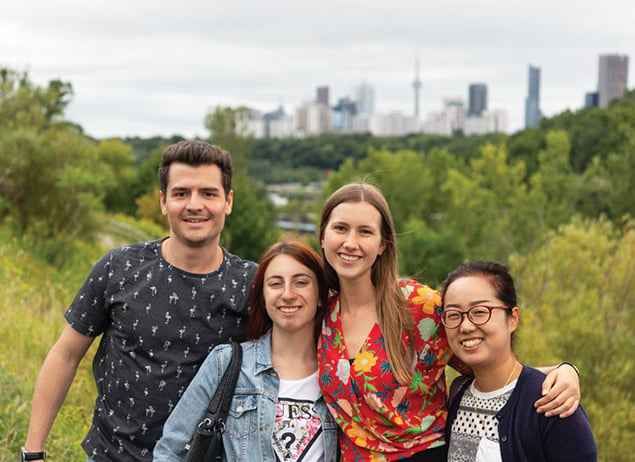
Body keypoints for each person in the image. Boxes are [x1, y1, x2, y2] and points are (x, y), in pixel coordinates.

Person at [22, 140, 258, 462]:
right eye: (180, 193)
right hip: (112, 456)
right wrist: (32, 452)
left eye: (208, 193)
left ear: (228, 201)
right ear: (163, 202)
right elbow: (65, 355)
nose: (194, 204)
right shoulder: (118, 267)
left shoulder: (253, 286)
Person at [316, 182, 581, 462]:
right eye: (341, 228)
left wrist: (565, 371)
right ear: (322, 236)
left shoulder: (419, 306)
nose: (350, 242)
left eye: (365, 232)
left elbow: (493, 369)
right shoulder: (321, 318)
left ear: (383, 244)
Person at [154, 240, 339, 461]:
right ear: (262, 298)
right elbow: (170, 451)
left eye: (300, 282)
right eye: (276, 284)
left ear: (320, 296)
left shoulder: (341, 373)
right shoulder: (226, 363)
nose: (288, 294)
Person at [441, 261, 597, 461]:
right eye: (453, 315)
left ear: (512, 318)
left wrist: (569, 369)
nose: (466, 326)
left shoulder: (552, 401)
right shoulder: (457, 395)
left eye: (479, 312)